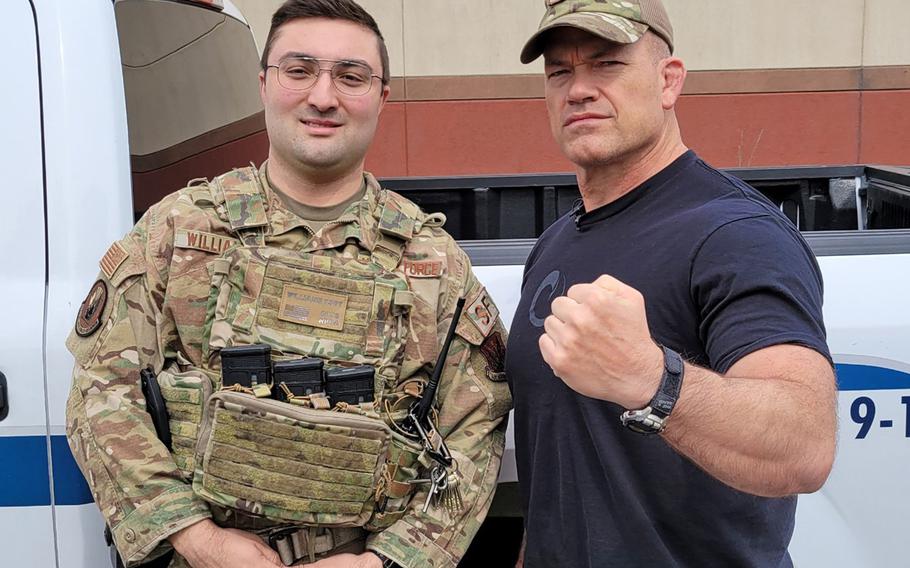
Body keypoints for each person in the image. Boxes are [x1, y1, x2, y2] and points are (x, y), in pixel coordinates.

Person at [65, 1, 511, 567]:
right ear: (264, 84)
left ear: (381, 98)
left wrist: (388, 561)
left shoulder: (433, 265)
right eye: (299, 71)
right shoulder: (178, 232)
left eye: (351, 77)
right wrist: (198, 539)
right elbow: (101, 393)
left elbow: (476, 430)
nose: (323, 97)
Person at [506, 1, 837, 566]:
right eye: (560, 70)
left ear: (668, 81)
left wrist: (650, 379)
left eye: (607, 64)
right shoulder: (556, 242)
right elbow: (560, 464)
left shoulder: (734, 233)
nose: (578, 89)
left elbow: (803, 444)